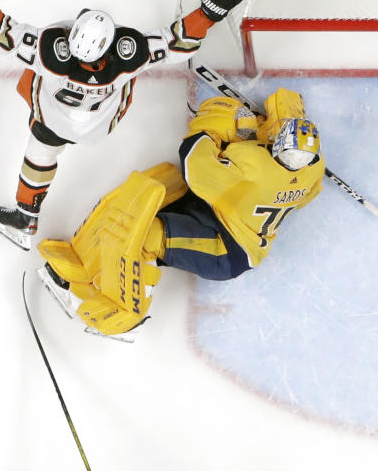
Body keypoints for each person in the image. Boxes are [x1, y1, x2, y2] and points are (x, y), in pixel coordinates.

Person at [0, 0, 253, 250]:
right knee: (130, 77)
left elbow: (4, 35)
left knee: (39, 153)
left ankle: (25, 218)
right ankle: (27, 214)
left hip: (52, 119)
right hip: (98, 125)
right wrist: (210, 10)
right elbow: (178, 42)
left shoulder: (46, 55)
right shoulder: (129, 58)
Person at [35, 87, 324, 340]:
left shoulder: (253, 166)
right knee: (150, 189)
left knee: (145, 237)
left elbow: (194, 159)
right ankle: (84, 263)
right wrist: (268, 128)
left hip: (227, 248)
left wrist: (213, 130)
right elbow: (306, 189)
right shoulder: (314, 169)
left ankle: (124, 316)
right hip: (217, 214)